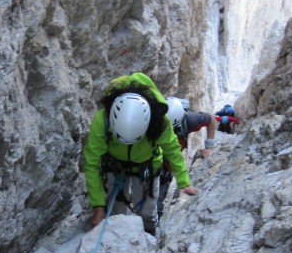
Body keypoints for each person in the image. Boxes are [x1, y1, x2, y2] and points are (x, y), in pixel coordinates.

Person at [84, 72, 198, 236]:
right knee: (116, 213)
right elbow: (92, 163)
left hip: (147, 167)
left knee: (147, 213)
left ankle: (149, 235)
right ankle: (117, 236)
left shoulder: (159, 121)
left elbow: (172, 149)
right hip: (114, 165)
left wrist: (183, 182)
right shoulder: (102, 120)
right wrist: (98, 206)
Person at [157, 96, 217, 219]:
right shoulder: (156, 118)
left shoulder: (190, 119)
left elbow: (211, 119)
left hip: (168, 163)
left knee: (158, 199)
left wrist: (209, 146)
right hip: (154, 159)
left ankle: (154, 222)